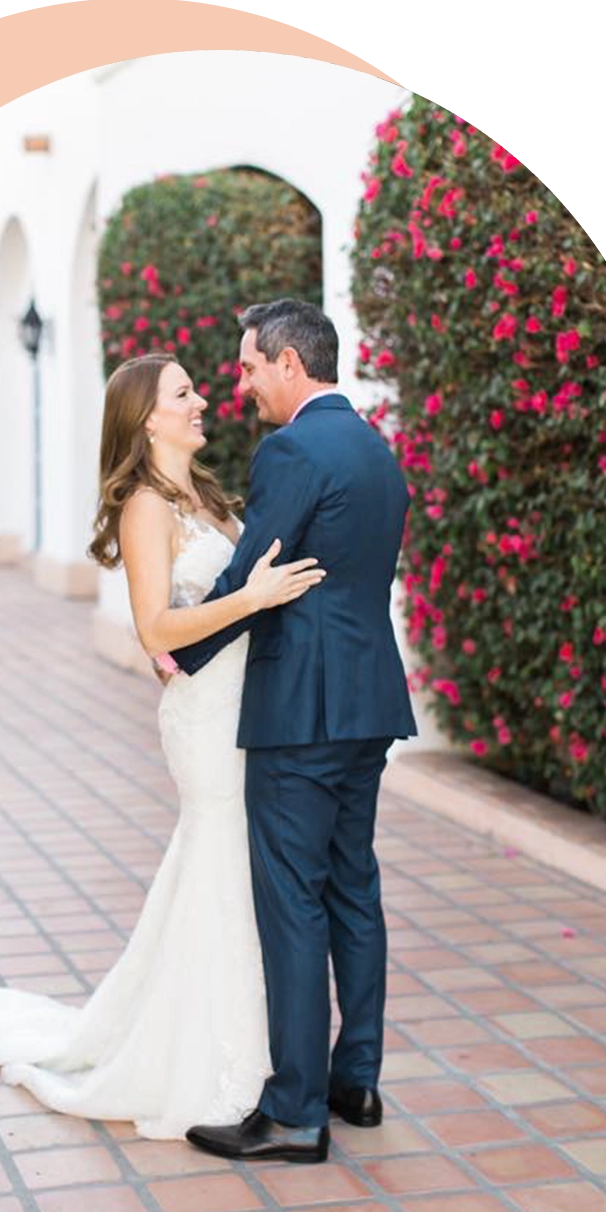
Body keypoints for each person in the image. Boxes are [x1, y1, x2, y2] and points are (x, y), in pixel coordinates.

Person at [0, 351, 325, 1140]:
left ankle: (261, 1062)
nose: (202, 400)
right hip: (209, 718)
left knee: (234, 875)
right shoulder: (147, 507)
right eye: (184, 392)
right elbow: (155, 627)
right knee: (222, 868)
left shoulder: (207, 496)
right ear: (148, 417)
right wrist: (251, 599)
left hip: (250, 707)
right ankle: (227, 1069)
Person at [162, 298, 418, 1164]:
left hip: (300, 712)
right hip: (368, 703)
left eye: (247, 367)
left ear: (289, 365)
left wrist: (180, 655)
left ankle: (296, 1110)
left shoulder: (294, 449)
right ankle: (359, 1080)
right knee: (354, 889)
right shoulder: (377, 449)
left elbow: (253, 572)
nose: (241, 384)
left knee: (293, 904)